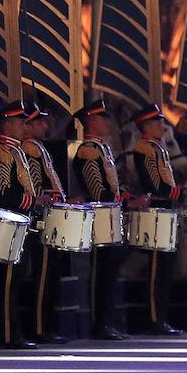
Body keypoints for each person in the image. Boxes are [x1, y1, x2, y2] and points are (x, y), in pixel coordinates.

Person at [72, 99, 134, 340]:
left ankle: (108, 320)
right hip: (100, 214)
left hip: (111, 212)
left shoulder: (103, 148)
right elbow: (96, 187)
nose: (106, 122)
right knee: (100, 269)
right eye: (102, 117)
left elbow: (113, 183)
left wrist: (125, 197)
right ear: (90, 121)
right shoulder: (88, 149)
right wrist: (120, 200)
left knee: (110, 269)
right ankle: (99, 323)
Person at [132, 103, 187, 335]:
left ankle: (161, 316)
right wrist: (180, 192)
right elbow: (154, 183)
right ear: (146, 126)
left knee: (166, 267)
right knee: (158, 267)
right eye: (158, 122)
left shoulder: (157, 147)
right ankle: (154, 318)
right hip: (157, 208)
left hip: (165, 207)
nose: (162, 126)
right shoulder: (145, 148)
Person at [0, 100, 40, 349]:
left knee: (15, 279)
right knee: (8, 280)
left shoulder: (16, 151)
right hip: (8, 220)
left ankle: (13, 331)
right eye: (19, 122)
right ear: (7, 125)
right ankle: (8, 333)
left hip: (19, 219)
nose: (23, 126)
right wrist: (33, 200)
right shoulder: (2, 152)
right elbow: (3, 190)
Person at [21, 103, 68, 344]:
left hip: (50, 213)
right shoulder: (28, 148)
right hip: (40, 215)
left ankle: (46, 325)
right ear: (27, 125)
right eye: (39, 121)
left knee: (50, 273)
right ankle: (40, 327)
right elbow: (34, 182)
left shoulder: (37, 147)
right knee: (43, 274)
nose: (45, 125)